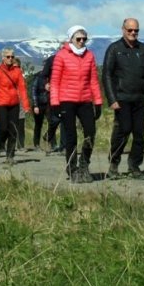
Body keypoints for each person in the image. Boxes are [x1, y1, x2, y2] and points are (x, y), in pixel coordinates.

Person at [102, 17, 144, 180]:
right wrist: (111, 98)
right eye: (130, 30)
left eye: (136, 30)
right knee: (123, 130)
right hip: (121, 98)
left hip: (139, 98)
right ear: (123, 30)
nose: (133, 33)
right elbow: (106, 75)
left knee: (139, 134)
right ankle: (114, 164)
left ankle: (134, 165)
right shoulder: (114, 49)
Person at [50, 25, 103, 183]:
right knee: (71, 136)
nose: (81, 41)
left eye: (84, 39)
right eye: (78, 38)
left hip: (85, 100)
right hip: (66, 101)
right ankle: (72, 168)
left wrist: (98, 102)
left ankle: (84, 165)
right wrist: (55, 103)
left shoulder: (89, 56)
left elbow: (93, 80)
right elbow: (55, 82)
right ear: (71, 39)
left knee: (90, 133)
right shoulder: (61, 55)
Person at [0, 49, 31, 164]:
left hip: (14, 104)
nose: (10, 59)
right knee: (3, 129)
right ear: (3, 58)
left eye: (12, 57)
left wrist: (26, 105)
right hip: (0, 104)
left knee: (13, 131)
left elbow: (22, 89)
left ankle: (10, 156)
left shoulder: (17, 71)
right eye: (8, 57)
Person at [30, 54, 53, 152]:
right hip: (39, 103)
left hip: (50, 103)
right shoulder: (38, 77)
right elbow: (34, 90)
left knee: (52, 123)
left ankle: (52, 143)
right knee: (38, 125)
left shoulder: (53, 77)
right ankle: (36, 144)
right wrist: (35, 105)